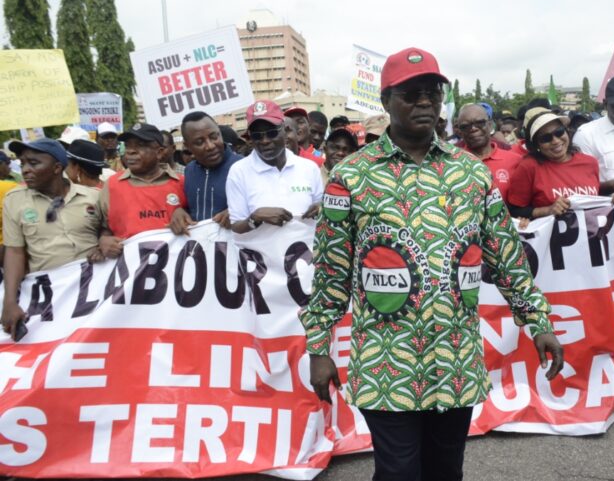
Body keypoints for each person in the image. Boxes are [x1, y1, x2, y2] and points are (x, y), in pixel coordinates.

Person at [300, 47, 563, 481]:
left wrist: (539, 323)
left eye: (432, 94)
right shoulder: (351, 176)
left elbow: (507, 258)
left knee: (445, 471)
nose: (425, 102)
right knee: (399, 472)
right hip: (388, 362)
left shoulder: (471, 174)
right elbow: (331, 273)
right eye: (411, 94)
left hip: (454, 360)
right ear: (385, 102)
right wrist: (318, 348)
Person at [1, 139, 101, 340]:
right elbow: (14, 252)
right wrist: (9, 301)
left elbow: (114, 235)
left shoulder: (94, 197)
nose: (26, 170)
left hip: (96, 295)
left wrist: (106, 239)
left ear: (57, 167)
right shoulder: (14, 200)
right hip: (50, 299)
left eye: (34, 163)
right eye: (22, 164)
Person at [226, 100, 323, 234]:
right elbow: (236, 226)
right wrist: (255, 218)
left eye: (271, 132)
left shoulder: (309, 168)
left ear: (284, 130)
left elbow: (321, 209)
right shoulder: (238, 172)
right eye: (257, 135)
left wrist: (321, 208)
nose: (265, 141)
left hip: (305, 252)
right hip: (260, 254)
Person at [507, 108, 614, 219]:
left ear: (566, 131)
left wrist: (610, 200)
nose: (555, 141)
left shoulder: (590, 162)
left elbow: (594, 195)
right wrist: (548, 210)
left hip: (592, 233)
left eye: (559, 132)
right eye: (546, 138)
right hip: (551, 235)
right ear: (536, 145)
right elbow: (514, 211)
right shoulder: (529, 167)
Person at [97, 123, 186, 258]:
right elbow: (101, 227)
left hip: (176, 271)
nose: (130, 151)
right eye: (127, 145)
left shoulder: (182, 183)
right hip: (130, 273)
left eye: (140, 145)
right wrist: (103, 240)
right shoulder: (111, 185)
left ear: (160, 152)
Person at [170, 111, 242, 234]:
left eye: (214, 137)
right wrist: (180, 211)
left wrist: (239, 211)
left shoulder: (243, 166)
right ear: (187, 146)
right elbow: (191, 209)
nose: (210, 146)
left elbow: (263, 204)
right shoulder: (189, 170)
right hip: (203, 249)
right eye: (199, 142)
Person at [455, 103, 522, 202]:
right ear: (459, 131)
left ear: (490, 125)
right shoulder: (452, 164)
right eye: (465, 126)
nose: (473, 128)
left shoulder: (516, 161)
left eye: (480, 123)